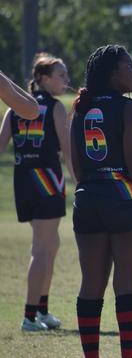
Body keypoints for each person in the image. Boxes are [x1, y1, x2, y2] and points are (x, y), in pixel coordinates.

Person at [70, 45, 132, 358]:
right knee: (127, 286)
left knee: (91, 286)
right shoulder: (128, 108)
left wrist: (94, 191)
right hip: (125, 200)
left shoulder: (81, 107)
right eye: (129, 66)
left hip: (88, 200)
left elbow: (78, 169)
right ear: (113, 74)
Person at [0, 53, 75, 331]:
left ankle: (42, 310)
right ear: (43, 78)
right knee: (42, 248)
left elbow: (1, 146)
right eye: (61, 75)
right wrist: (80, 181)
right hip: (47, 181)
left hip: (22, 181)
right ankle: (30, 316)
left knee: (51, 244)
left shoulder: (13, 108)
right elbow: (67, 151)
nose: (66, 81)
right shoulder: (54, 108)